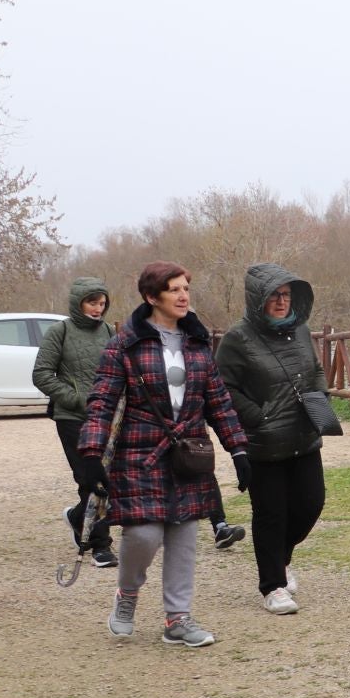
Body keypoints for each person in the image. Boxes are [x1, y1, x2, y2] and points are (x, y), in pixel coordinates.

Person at [80, 262, 251, 647]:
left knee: (184, 537)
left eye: (185, 288)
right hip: (140, 455)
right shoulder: (124, 344)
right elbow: (102, 402)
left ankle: (178, 619)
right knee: (143, 534)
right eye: (173, 289)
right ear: (151, 297)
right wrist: (91, 453)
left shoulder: (197, 342)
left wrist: (238, 448)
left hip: (190, 454)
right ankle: (126, 596)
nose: (183, 295)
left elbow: (218, 401)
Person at [214, 264, 329, 615]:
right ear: (257, 299)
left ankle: (281, 559)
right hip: (263, 441)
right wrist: (257, 415)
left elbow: (316, 369)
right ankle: (273, 586)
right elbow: (222, 387)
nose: (281, 302)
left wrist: (320, 396)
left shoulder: (301, 330)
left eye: (286, 296)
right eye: (274, 296)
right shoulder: (238, 338)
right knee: (271, 513)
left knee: (311, 503)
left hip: (303, 433)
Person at [33, 276, 119, 567]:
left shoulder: (109, 331)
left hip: (107, 418)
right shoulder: (60, 331)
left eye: (102, 303)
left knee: (110, 479)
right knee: (89, 478)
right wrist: (77, 399)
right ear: (78, 302)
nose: (98, 308)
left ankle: (75, 516)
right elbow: (42, 374)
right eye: (93, 302)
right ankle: (100, 546)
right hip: (72, 417)